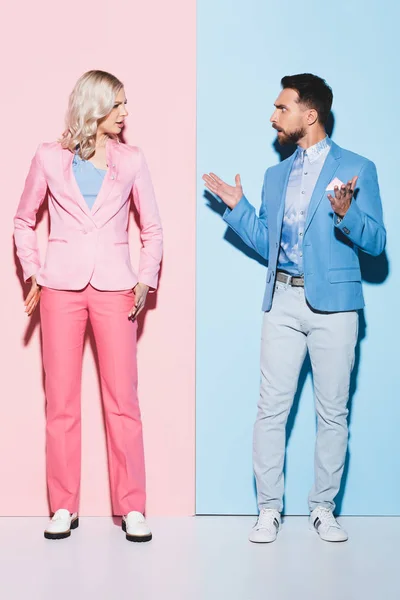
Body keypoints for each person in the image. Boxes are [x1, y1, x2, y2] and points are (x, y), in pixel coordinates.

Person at [203, 73, 386, 543]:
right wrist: (239, 207)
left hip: (336, 307)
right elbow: (269, 242)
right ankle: (269, 509)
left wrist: (348, 213)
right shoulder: (274, 175)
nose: (273, 117)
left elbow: (378, 243)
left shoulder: (358, 168)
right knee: (270, 411)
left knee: (333, 413)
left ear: (310, 115)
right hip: (282, 299)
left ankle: (323, 507)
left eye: (281, 109)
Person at [14, 70, 163, 542]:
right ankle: (63, 507)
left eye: (125, 105)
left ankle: (131, 507)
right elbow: (22, 220)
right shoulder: (48, 158)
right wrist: (33, 273)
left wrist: (144, 280)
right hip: (59, 290)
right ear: (95, 106)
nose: (126, 113)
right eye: (119, 104)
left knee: (123, 401)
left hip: (116, 289)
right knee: (61, 404)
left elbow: (153, 230)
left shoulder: (133, 160)